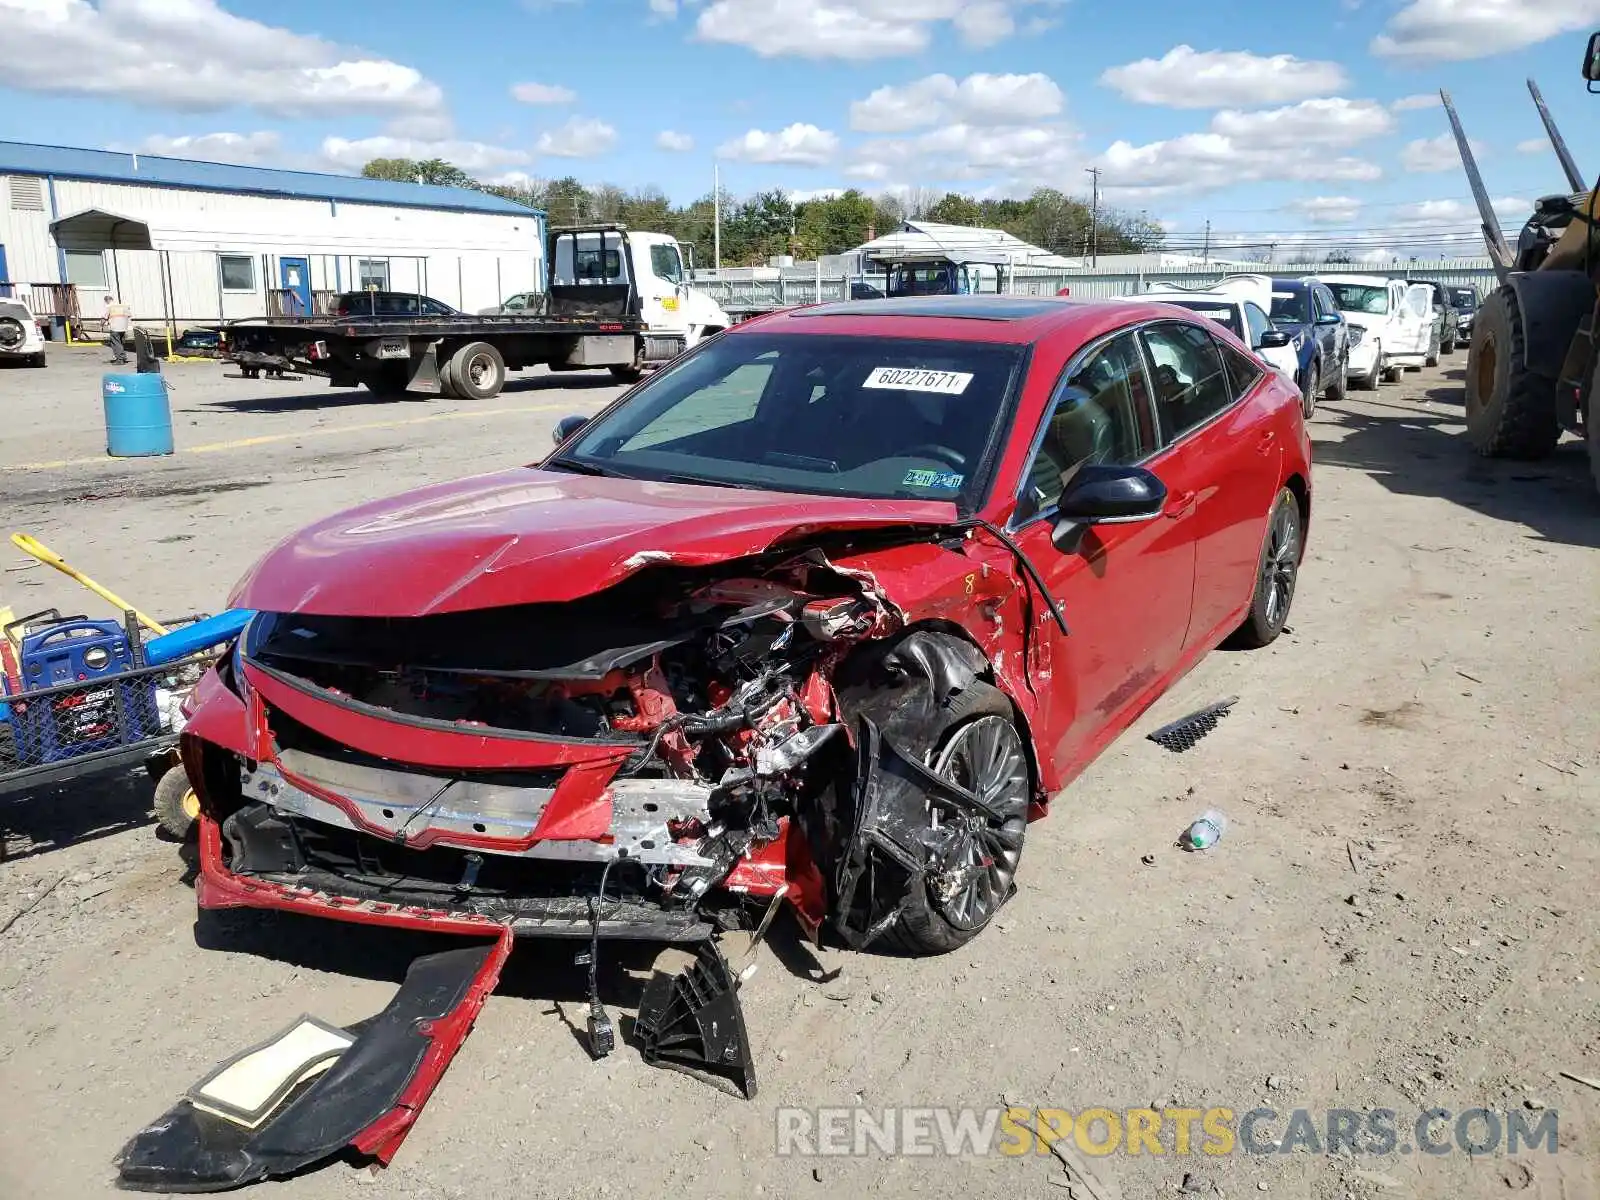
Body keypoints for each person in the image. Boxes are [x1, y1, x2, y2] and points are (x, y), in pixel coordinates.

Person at [105, 295, 131, 364]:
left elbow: (104, 317)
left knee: (116, 343)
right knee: (121, 343)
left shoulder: (109, 306)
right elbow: (129, 316)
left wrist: (101, 325)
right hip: (123, 328)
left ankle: (120, 359)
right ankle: (123, 357)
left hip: (115, 328)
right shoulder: (123, 306)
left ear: (107, 300)